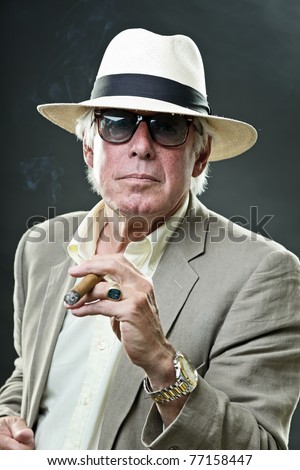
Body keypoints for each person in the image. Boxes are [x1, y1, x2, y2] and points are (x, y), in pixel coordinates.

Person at [0, 28, 299, 451]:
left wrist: (162, 363)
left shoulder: (264, 274)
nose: (141, 146)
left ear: (200, 155)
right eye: (118, 123)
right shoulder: (41, 245)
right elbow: (29, 376)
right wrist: (5, 421)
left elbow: (260, 455)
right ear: (89, 148)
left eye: (168, 126)